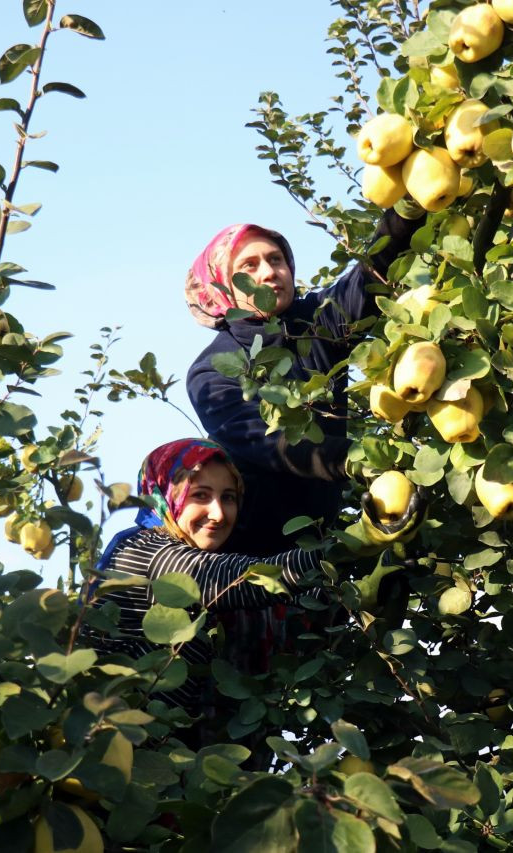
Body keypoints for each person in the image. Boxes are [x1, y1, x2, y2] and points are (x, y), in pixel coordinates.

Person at [185, 207, 425, 556]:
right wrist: (353, 459)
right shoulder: (210, 374)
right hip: (244, 560)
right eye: (249, 266)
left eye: (276, 259)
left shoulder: (315, 324)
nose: (269, 272)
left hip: (321, 555)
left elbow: (370, 275)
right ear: (222, 286)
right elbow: (268, 440)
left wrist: (409, 205)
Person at [79, 438, 324, 716]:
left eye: (228, 498)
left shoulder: (203, 577)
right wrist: (340, 551)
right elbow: (227, 580)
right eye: (200, 495)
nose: (218, 514)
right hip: (110, 743)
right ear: (165, 496)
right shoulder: (142, 550)